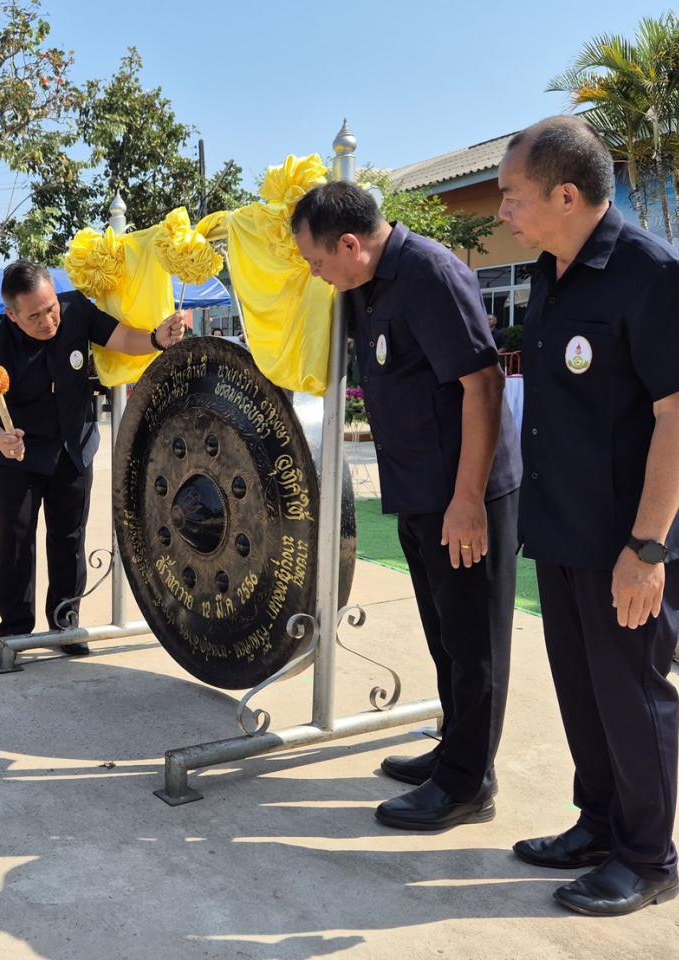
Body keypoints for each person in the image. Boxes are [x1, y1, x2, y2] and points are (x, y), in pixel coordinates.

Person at [497, 116, 679, 916]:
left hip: (630, 538)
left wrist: (648, 547)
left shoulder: (651, 274)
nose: (504, 214)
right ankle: (597, 825)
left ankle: (648, 857)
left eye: (515, 198)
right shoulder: (553, 273)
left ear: (565, 192)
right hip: (565, 531)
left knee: (632, 695)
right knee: (583, 691)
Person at [293, 182, 521, 832]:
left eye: (316, 260)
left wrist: (468, 502)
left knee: (474, 642)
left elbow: (482, 385)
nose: (316, 273)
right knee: (446, 635)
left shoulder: (428, 273)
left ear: (350, 244)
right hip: (422, 490)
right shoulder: (364, 285)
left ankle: (467, 784)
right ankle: (456, 753)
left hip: (463, 493)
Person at [0, 260, 186, 663]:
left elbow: (122, 338)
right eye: (33, 315)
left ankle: (65, 622)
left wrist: (157, 338)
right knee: (16, 543)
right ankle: (14, 632)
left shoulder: (76, 310)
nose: (48, 320)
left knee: (69, 540)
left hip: (74, 450)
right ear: (11, 314)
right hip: (21, 458)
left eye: (50, 307)